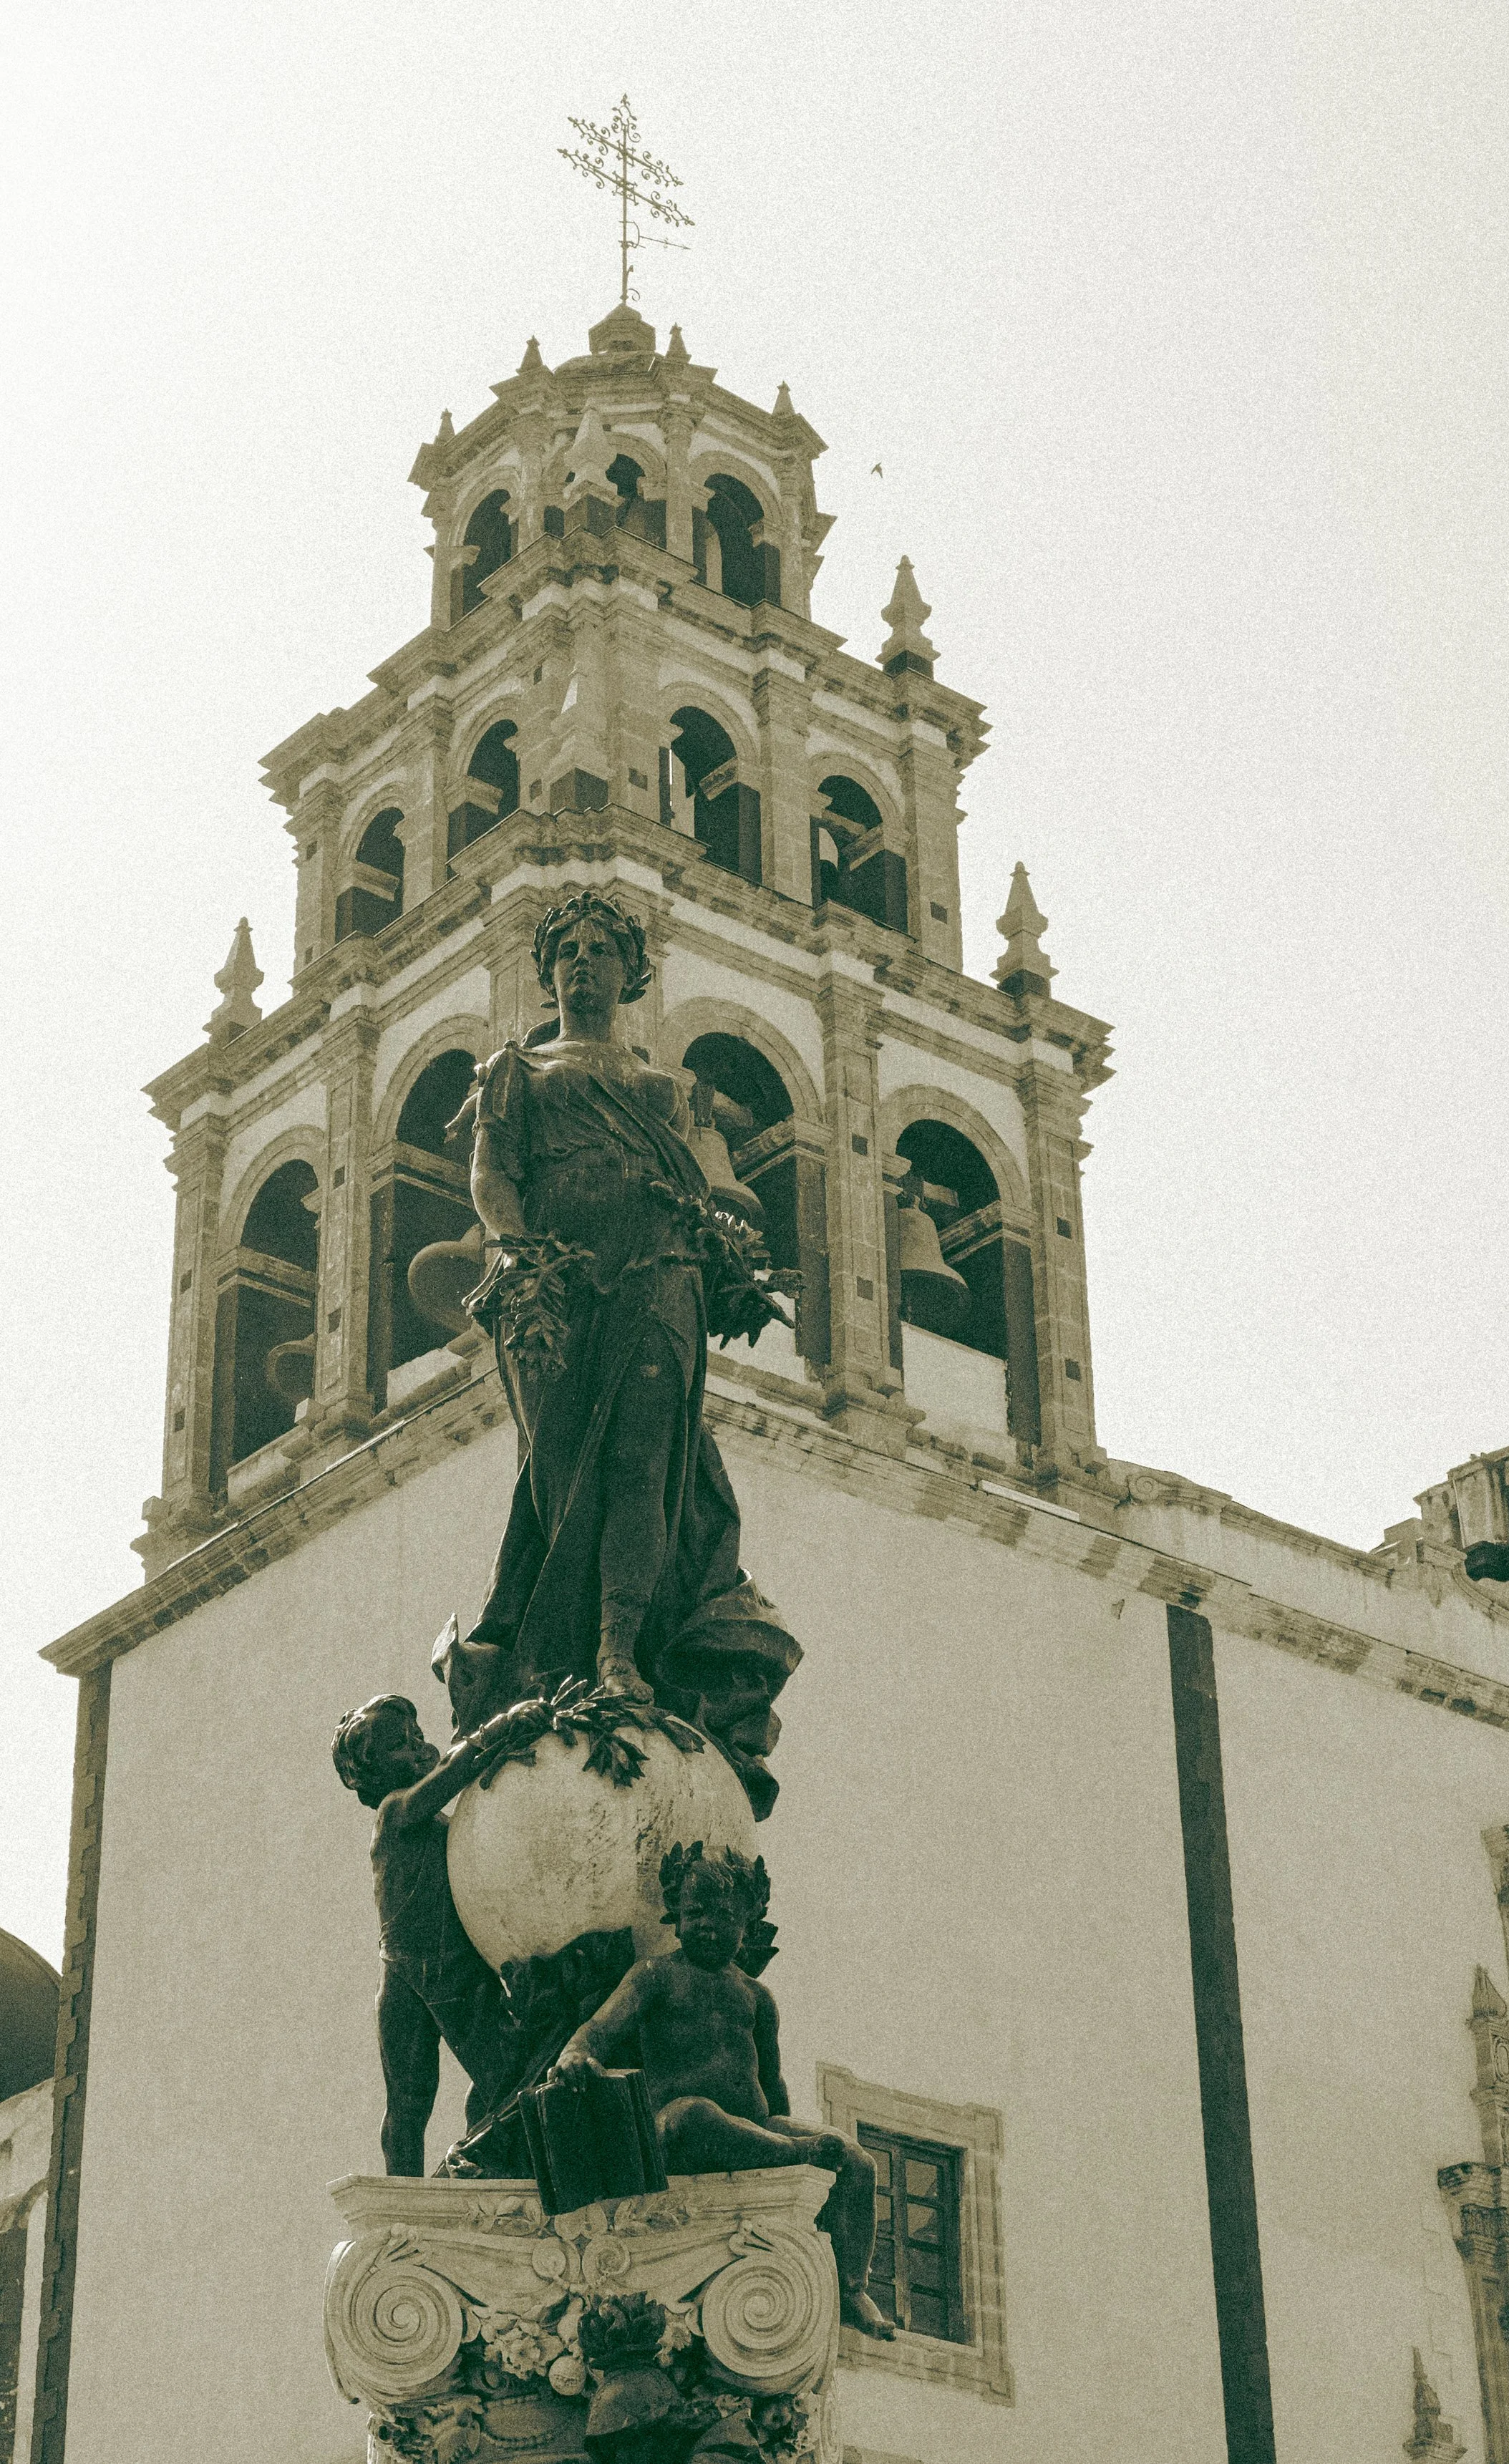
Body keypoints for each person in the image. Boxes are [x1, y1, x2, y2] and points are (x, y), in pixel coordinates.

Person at [440, 889, 800, 1815]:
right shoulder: (515, 1070)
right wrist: (520, 1250)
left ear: (630, 972)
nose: (583, 963)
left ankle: (616, 1651)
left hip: (658, 1272)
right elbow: (491, 1174)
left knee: (645, 1461)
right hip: (551, 1285)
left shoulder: (666, 1088)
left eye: (601, 950)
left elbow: (697, 1192)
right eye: (567, 950)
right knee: (561, 1472)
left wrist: (725, 1258)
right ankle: (547, 1647)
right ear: (548, 970)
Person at [549, 1842, 895, 2340]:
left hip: (754, 2129)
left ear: (747, 1925)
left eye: (724, 1917)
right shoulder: (655, 1975)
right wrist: (576, 2055)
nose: (709, 1926)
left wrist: (785, 2129)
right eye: (696, 1914)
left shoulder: (757, 1997)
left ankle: (852, 2287)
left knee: (858, 2161)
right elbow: (599, 2029)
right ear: (676, 1917)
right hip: (675, 2129)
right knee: (697, 2114)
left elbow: (772, 2083)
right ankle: (794, 2155)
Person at [332, 1689, 549, 2175]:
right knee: (422, 2096)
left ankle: (472, 2153)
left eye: (416, 1735)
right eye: (398, 1744)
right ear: (369, 1775)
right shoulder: (395, 1812)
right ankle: (404, 2196)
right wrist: (499, 1730)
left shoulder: (441, 1823)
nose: (415, 1746)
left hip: (431, 1968)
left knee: (476, 2083)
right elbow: (451, 1771)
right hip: (430, 1972)